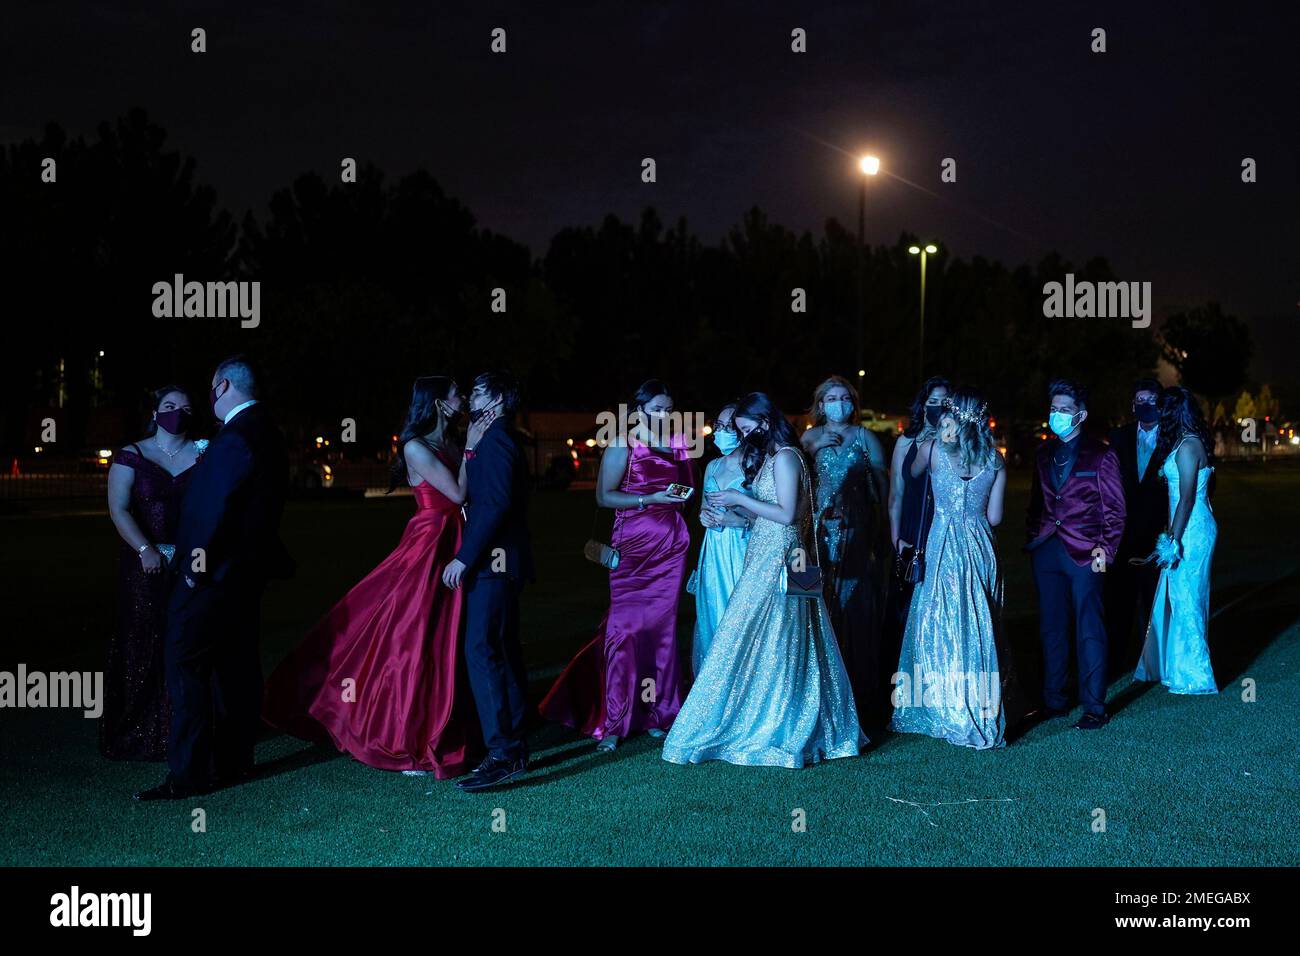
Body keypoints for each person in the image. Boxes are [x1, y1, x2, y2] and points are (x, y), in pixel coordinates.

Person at [262, 376, 485, 777]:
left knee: (450, 635)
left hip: (457, 538)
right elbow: (455, 494)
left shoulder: (449, 440)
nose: (463, 398)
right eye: (456, 392)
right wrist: (471, 446)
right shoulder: (416, 446)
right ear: (438, 402)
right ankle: (404, 736)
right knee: (413, 635)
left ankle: (453, 719)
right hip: (431, 542)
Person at [662, 392, 863, 768]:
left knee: (788, 638)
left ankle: (782, 724)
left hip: (784, 556)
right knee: (772, 638)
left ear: (764, 422)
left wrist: (740, 498)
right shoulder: (774, 458)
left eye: (745, 427)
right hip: (771, 552)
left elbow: (787, 514)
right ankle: (763, 713)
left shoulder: (786, 457)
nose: (742, 435)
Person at [136, 356, 293, 800]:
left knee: (185, 660)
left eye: (210, 389)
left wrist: (191, 571)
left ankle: (189, 773)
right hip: (245, 575)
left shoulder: (236, 437)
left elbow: (211, 512)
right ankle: (234, 761)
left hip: (213, 576)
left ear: (223, 386)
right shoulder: (268, 432)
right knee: (236, 665)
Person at [540, 379, 692, 750]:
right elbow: (604, 496)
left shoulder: (678, 442)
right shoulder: (623, 442)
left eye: (669, 408)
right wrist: (649, 498)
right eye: (658, 408)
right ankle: (614, 718)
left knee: (663, 632)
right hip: (633, 546)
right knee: (624, 631)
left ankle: (659, 712)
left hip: (671, 546)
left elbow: (687, 491)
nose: (665, 414)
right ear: (640, 409)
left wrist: (674, 501)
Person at [890, 388, 1008, 749]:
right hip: (979, 545)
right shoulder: (995, 461)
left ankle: (942, 702)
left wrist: (933, 436)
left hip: (943, 543)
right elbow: (995, 517)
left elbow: (911, 475)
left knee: (939, 620)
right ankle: (978, 704)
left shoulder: (933, 451)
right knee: (977, 621)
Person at [442, 371, 535, 792]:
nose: (469, 397)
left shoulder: (498, 438)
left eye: (477, 391)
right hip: (501, 561)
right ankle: (512, 740)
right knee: (499, 647)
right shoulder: (493, 438)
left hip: (494, 564)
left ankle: (503, 751)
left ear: (497, 399)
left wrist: (464, 557)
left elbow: (493, 505)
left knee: (481, 649)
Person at [103, 386, 206, 760]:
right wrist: (146, 549)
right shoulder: (132, 455)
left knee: (186, 643)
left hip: (191, 565)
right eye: (169, 406)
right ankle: (140, 733)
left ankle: (183, 730)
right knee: (143, 639)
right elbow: (119, 509)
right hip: (143, 565)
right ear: (155, 410)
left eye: (185, 407)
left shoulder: (203, 452)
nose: (177, 412)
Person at [1026, 379, 1125, 731]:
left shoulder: (1101, 454)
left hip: (1087, 553)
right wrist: (1033, 538)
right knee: (1051, 627)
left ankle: (1094, 706)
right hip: (1047, 551)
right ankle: (1054, 700)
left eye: (1064, 410)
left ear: (1080, 415)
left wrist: (1106, 549)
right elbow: (1037, 503)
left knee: (1089, 628)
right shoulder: (1042, 454)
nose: (1056, 415)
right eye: (1053, 409)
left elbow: (1115, 510)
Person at [800, 375, 888, 723]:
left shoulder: (866, 437)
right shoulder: (806, 438)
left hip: (855, 531)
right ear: (821, 405)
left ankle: (857, 691)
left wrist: (883, 532)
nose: (839, 403)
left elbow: (881, 485)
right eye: (832, 398)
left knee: (854, 604)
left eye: (845, 397)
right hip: (814, 533)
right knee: (810, 602)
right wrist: (815, 448)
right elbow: (793, 478)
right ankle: (813, 690)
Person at [1135, 386, 1218, 694]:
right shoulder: (1186, 442)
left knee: (1188, 599)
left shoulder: (1187, 447)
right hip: (1187, 526)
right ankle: (1177, 668)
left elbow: (1185, 499)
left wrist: (1173, 540)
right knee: (1179, 597)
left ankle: (1196, 675)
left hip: (1191, 530)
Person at [883, 375, 950, 720]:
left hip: (943, 526)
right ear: (923, 405)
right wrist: (896, 537)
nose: (939, 408)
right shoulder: (906, 442)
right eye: (933, 401)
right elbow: (896, 493)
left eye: (945, 402)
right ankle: (902, 682)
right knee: (905, 603)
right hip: (912, 525)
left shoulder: (953, 441)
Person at [1104, 378, 1168, 675]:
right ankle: (1115, 661)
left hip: (1159, 534)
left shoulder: (1172, 437)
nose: (1145, 405)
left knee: (1155, 601)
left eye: (1151, 400)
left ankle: (1157, 662)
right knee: (1119, 603)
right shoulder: (1118, 438)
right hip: (1123, 535)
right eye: (1139, 400)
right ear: (1132, 405)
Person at [691, 402, 753, 675]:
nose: (722, 432)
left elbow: (776, 519)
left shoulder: (758, 465)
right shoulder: (712, 466)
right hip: (713, 552)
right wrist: (705, 516)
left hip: (743, 549)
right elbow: (707, 506)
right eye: (719, 425)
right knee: (712, 617)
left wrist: (737, 520)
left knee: (741, 622)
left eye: (730, 427)